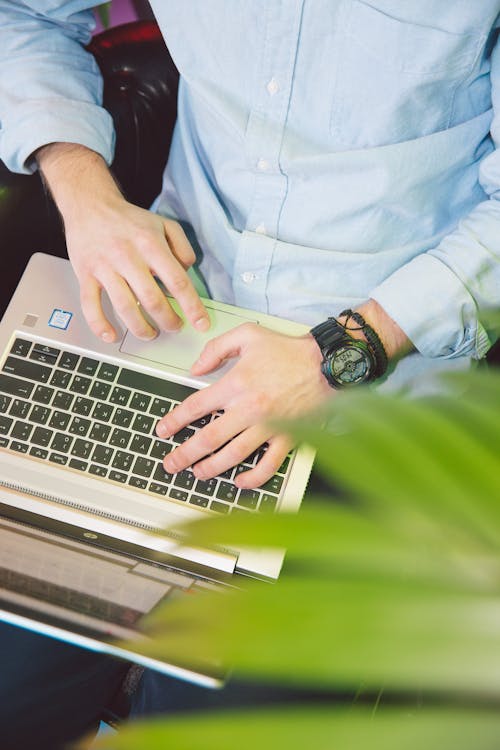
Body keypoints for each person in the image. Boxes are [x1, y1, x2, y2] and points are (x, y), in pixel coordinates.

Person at [0, 1, 499, 746]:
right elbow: (27, 15)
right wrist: (88, 194)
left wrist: (340, 349)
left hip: (388, 377)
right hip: (171, 315)